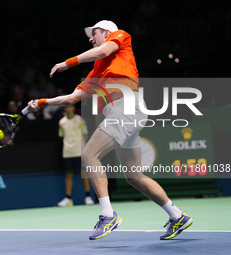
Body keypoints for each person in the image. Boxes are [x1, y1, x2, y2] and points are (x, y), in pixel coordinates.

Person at [27, 20, 192, 241]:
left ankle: (108, 215)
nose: (90, 38)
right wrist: (41, 102)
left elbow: (103, 50)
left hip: (126, 109)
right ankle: (177, 216)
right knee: (134, 176)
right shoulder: (97, 72)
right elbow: (71, 98)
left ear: (107, 32)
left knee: (88, 155)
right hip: (126, 113)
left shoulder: (121, 37)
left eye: (93, 33)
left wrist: (67, 63)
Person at [57, 104, 94, 207]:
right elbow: (62, 136)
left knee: (83, 173)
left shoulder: (80, 120)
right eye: (66, 107)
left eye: (70, 106)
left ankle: (88, 197)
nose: (68, 108)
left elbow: (85, 134)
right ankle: (68, 199)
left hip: (79, 151)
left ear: (73, 108)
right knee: (68, 175)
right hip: (67, 152)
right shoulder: (61, 122)